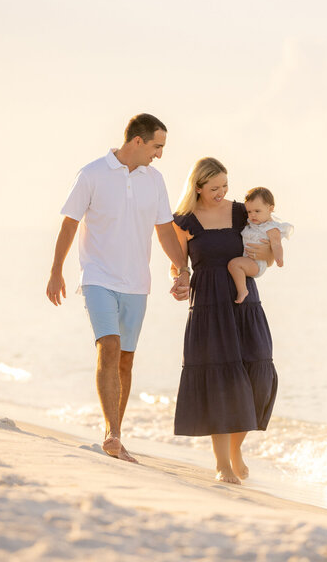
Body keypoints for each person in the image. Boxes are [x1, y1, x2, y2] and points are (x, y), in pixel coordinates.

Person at [45, 113, 189, 464]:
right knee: (109, 346)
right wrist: (56, 271)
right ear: (137, 141)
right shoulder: (92, 174)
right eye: (157, 146)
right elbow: (69, 224)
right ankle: (111, 434)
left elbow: (166, 230)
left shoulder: (154, 180)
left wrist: (182, 269)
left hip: (137, 283)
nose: (159, 154)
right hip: (98, 278)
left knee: (125, 360)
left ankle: (116, 433)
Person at [168, 157, 278, 484]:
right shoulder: (183, 221)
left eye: (225, 186)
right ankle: (222, 464)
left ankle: (236, 448)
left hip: (243, 300)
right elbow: (177, 264)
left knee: (258, 375)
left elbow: (269, 239)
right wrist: (179, 279)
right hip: (208, 306)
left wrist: (266, 257)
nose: (222, 193)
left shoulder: (241, 212)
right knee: (219, 380)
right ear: (198, 187)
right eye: (214, 188)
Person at [228, 187, 293, 304]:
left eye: (257, 211)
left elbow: (277, 244)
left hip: (257, 263)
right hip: (249, 259)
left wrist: (279, 258)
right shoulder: (252, 224)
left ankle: (243, 290)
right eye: (249, 211)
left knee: (234, 264)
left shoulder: (271, 228)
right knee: (235, 264)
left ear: (270, 209)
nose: (252, 215)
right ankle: (241, 288)